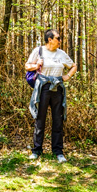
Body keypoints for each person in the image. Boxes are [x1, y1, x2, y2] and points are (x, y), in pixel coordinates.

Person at [25, 29, 78, 163]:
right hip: (43, 88)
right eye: (58, 38)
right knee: (40, 119)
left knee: (58, 121)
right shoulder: (39, 51)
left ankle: (58, 151)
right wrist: (36, 65)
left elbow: (73, 66)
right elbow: (27, 66)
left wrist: (67, 76)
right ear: (50, 39)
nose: (60, 41)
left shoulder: (61, 53)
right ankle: (37, 150)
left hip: (58, 88)